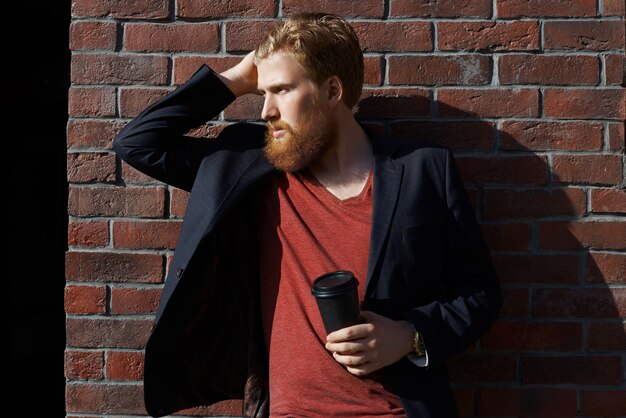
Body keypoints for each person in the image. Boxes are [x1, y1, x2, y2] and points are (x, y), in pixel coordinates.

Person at [113, 12, 502, 418]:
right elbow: (137, 144)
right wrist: (237, 79)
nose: (266, 110)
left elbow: (479, 293)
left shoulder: (424, 170)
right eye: (261, 93)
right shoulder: (249, 166)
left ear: (332, 89)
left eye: (281, 90)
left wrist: (409, 336)